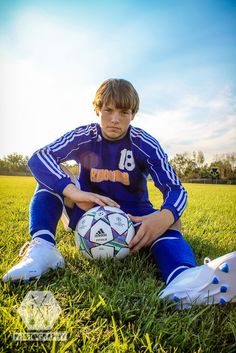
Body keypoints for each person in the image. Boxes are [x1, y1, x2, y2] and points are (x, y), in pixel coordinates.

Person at [3, 79, 236, 308]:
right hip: (87, 217)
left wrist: (163, 217)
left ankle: (182, 279)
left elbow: (176, 189)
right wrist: (74, 192)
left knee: (172, 220)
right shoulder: (84, 136)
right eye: (108, 110)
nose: (115, 119)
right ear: (97, 110)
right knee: (51, 177)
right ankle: (44, 249)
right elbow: (39, 158)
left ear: (133, 114)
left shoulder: (145, 143)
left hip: (133, 222)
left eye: (123, 112)